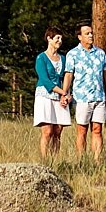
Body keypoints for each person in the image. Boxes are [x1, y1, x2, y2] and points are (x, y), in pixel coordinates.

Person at [60, 20, 106, 162]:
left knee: (97, 129)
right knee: (82, 130)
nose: (90, 35)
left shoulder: (100, 53)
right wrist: (64, 93)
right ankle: (81, 160)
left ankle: (97, 161)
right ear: (80, 37)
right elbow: (68, 74)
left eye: (91, 33)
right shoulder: (73, 54)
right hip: (82, 98)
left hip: (99, 97)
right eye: (87, 33)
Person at [33, 26, 72, 159]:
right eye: (57, 38)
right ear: (49, 39)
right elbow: (45, 80)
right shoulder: (41, 58)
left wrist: (66, 94)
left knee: (58, 130)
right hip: (45, 96)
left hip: (59, 97)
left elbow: (67, 76)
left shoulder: (63, 59)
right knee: (47, 130)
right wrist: (63, 92)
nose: (60, 41)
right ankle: (44, 159)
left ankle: (55, 159)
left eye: (61, 38)